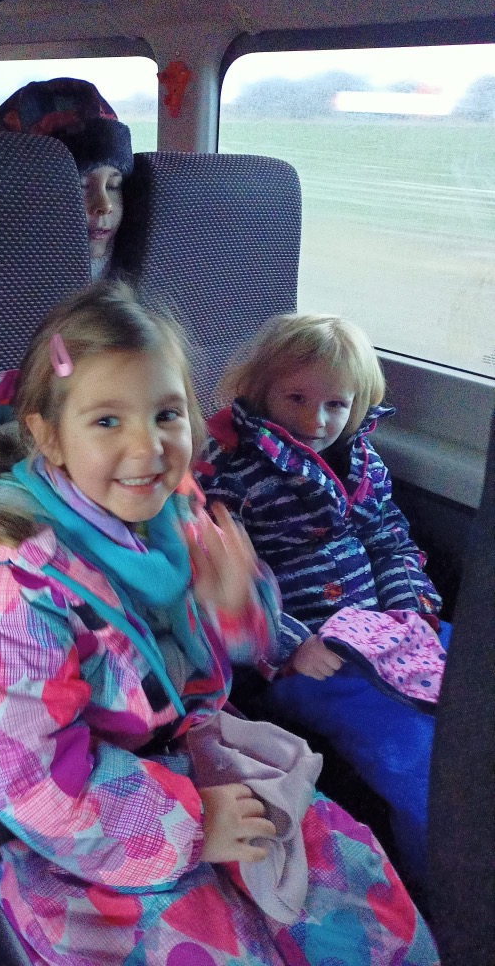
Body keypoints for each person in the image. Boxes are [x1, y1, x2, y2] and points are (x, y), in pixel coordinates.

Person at [0, 283, 439, 965]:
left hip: (197, 752)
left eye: (167, 414)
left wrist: (238, 609)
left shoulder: (176, 517)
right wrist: (192, 825)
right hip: (83, 823)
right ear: (48, 437)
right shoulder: (13, 592)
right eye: (108, 421)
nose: (148, 446)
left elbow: (239, 644)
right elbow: (31, 778)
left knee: (363, 917)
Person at [196, 312, 448, 893]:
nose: (317, 420)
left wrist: (411, 608)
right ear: (260, 392)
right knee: (419, 761)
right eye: (297, 398)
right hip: (309, 656)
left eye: (336, 404)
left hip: (389, 629)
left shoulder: (364, 464)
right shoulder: (236, 475)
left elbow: (389, 541)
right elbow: (228, 582)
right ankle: (445, 885)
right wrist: (292, 645)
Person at [0, 77, 132, 281]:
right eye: (81, 185)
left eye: (113, 186)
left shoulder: (134, 259)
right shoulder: (2, 270)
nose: (104, 205)